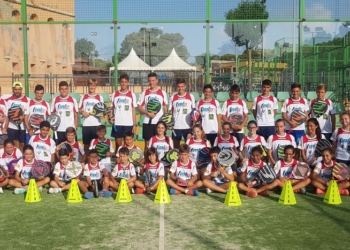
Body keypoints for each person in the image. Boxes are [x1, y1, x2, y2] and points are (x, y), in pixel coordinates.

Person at [137, 72, 168, 150]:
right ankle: (147, 162)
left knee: (159, 144)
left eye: (153, 80)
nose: (151, 82)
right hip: (148, 122)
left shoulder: (162, 93)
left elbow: (165, 108)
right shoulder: (145, 93)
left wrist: (166, 121)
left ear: (157, 80)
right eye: (150, 80)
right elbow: (139, 108)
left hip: (159, 123)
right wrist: (148, 113)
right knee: (147, 146)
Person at [281, 82, 309, 159]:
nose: (295, 93)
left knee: (298, 149)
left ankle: (295, 164)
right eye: (293, 91)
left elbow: (306, 115)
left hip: (300, 129)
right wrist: (290, 123)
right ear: (291, 91)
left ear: (300, 91)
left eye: (297, 91)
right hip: (289, 129)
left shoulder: (304, 101)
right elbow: (283, 115)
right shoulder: (287, 101)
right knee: (289, 149)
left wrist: (307, 126)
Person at [111, 74, 137, 151]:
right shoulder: (115, 94)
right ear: (120, 82)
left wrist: (134, 124)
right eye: (122, 82)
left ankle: (127, 162)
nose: (124, 84)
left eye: (125, 82)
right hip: (117, 123)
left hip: (128, 123)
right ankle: (118, 160)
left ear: (128, 83)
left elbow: (133, 110)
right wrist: (111, 118)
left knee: (127, 144)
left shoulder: (132, 94)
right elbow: (112, 108)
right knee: (118, 144)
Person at [78, 79, 104, 155]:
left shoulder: (100, 97)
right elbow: (79, 108)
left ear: (96, 86)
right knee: (86, 145)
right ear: (88, 86)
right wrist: (82, 112)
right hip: (86, 124)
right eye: (90, 85)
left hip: (96, 125)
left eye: (93, 85)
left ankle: (96, 162)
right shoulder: (84, 97)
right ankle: (86, 162)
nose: (92, 87)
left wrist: (101, 114)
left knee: (96, 144)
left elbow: (102, 111)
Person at [169, 78, 196, 149]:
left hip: (188, 126)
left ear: (185, 86)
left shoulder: (190, 96)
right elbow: (170, 112)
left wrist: (193, 123)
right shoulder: (173, 98)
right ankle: (177, 160)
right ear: (176, 87)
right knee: (176, 148)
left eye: (182, 86)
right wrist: (170, 124)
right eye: (178, 86)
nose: (180, 88)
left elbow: (194, 111)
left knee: (187, 147)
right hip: (176, 126)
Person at [51, 81, 78, 145]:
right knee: (58, 149)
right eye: (62, 89)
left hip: (70, 130)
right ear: (59, 90)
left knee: (72, 150)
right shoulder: (55, 100)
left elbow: (75, 115)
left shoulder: (73, 100)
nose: (64, 91)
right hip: (58, 130)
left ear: (68, 89)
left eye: (65, 89)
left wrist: (75, 129)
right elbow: (52, 115)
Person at [5, 81, 30, 152]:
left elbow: (26, 113)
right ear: (13, 89)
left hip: (22, 127)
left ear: (21, 90)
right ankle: (13, 160)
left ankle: (21, 160)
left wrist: (22, 117)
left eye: (19, 89)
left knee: (22, 145)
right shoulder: (8, 100)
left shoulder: (27, 100)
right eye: (15, 89)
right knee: (12, 144)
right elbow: (7, 114)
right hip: (11, 126)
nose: (17, 91)